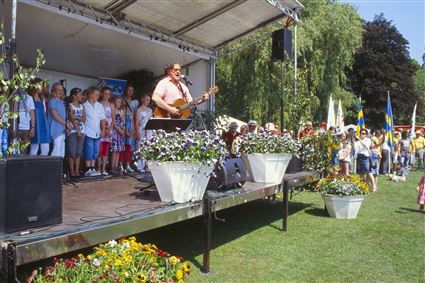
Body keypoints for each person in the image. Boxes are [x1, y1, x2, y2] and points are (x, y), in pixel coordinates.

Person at [83, 86, 106, 177]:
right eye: (96, 94)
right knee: (89, 150)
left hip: (97, 132)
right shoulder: (84, 105)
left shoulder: (99, 105)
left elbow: (103, 119)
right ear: (91, 94)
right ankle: (87, 169)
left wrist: (103, 129)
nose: (98, 96)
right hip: (88, 132)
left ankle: (92, 168)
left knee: (96, 151)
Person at [66, 88, 86, 178]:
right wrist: (77, 130)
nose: (81, 96)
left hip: (82, 130)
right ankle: (72, 171)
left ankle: (77, 170)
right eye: (80, 95)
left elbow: (84, 119)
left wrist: (76, 117)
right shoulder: (70, 105)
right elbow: (71, 118)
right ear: (74, 96)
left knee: (78, 152)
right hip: (73, 131)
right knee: (72, 152)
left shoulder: (82, 106)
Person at [29, 79, 51, 156]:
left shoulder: (42, 99)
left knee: (46, 149)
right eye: (40, 85)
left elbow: (44, 113)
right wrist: (32, 127)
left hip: (43, 125)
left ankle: (41, 166)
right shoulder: (30, 98)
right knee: (34, 148)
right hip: (35, 125)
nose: (41, 88)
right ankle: (31, 167)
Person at [48, 83, 68, 157]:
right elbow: (55, 116)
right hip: (55, 129)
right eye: (58, 90)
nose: (60, 92)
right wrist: (66, 124)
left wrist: (67, 125)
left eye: (62, 90)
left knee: (61, 152)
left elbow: (65, 116)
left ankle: (59, 167)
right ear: (53, 91)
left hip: (62, 129)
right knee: (57, 150)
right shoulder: (53, 101)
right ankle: (53, 167)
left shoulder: (62, 102)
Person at [135, 93, 153, 172]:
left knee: (148, 147)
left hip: (149, 131)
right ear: (142, 99)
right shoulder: (139, 109)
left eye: (149, 100)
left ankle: (147, 165)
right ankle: (140, 166)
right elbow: (136, 122)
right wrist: (137, 132)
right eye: (146, 99)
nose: (148, 101)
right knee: (140, 147)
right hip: (141, 129)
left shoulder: (150, 110)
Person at [97, 87, 113, 176]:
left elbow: (113, 119)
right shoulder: (98, 104)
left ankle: (103, 169)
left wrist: (109, 129)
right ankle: (98, 169)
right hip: (100, 129)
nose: (107, 95)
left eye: (108, 94)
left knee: (106, 150)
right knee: (100, 149)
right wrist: (103, 129)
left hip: (109, 130)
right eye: (105, 93)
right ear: (102, 94)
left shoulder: (111, 105)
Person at [110, 96, 125, 175]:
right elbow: (114, 122)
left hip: (121, 132)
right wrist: (119, 130)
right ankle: (112, 167)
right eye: (117, 102)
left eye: (120, 102)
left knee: (119, 150)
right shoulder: (113, 111)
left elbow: (123, 121)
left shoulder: (121, 111)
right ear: (114, 102)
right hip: (115, 132)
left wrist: (123, 130)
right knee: (114, 150)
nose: (119, 103)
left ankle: (116, 166)